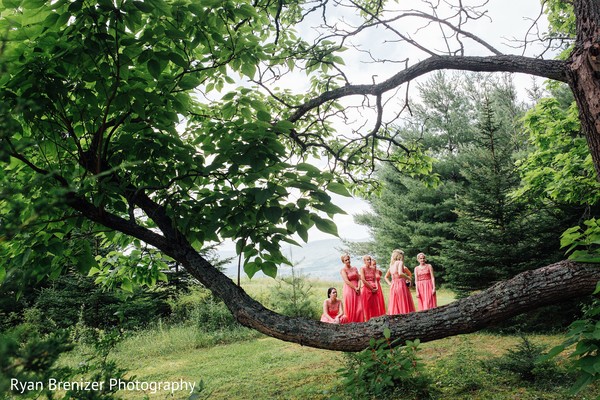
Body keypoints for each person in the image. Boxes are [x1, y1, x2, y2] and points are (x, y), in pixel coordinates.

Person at [385, 249, 415, 315]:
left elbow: (387, 276)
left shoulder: (391, 265)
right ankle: (405, 316)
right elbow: (400, 273)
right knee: (403, 301)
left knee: (395, 302)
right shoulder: (400, 262)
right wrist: (409, 278)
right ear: (400, 256)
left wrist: (390, 284)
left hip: (394, 285)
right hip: (401, 284)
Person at [360, 255, 385, 321]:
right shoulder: (362, 268)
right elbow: (363, 279)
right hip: (366, 289)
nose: (369, 261)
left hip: (374, 289)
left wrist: (376, 287)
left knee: (375, 306)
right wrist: (371, 288)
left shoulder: (373, 269)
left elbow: (375, 279)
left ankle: (376, 320)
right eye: (367, 260)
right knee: (367, 307)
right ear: (364, 261)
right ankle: (367, 320)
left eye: (370, 259)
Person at [340, 254, 363, 323]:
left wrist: (358, 287)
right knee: (351, 307)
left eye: (348, 259)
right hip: (349, 289)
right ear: (343, 262)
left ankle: (359, 323)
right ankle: (351, 323)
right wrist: (354, 288)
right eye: (346, 260)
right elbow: (346, 281)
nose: (348, 261)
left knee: (360, 308)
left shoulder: (355, 268)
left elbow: (359, 278)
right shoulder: (343, 270)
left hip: (357, 289)